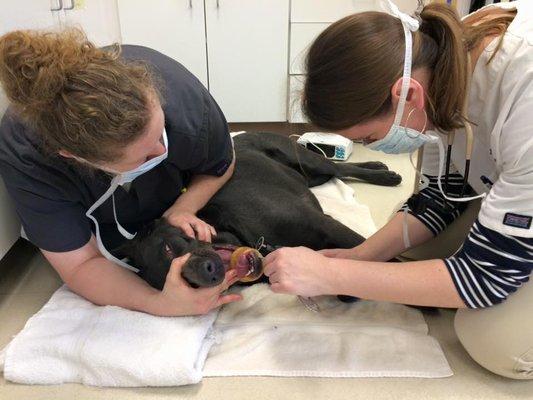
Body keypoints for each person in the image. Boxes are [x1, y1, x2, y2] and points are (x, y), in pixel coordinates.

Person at [263, 1, 533, 379]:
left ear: (407, 94)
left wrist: (332, 277)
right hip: (516, 181)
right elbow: (441, 194)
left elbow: (485, 279)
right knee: (411, 250)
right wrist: (359, 257)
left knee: (492, 340)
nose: (373, 150)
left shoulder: (524, 90)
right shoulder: (443, 57)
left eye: (370, 137)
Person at [0, 29, 242, 317]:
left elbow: (221, 164)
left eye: (160, 131)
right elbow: (80, 265)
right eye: (144, 154)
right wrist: (160, 303)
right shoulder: (28, 153)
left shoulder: (181, 98)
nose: (162, 149)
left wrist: (183, 208)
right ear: (72, 155)